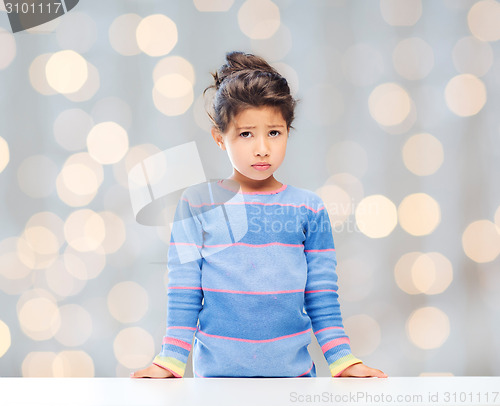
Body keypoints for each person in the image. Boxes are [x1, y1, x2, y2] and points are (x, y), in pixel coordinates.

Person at [131, 51, 387, 379]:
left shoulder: (309, 208)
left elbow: (321, 294)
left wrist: (343, 361)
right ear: (219, 137)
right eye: (246, 133)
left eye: (274, 133)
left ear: (288, 132)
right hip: (216, 386)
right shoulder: (197, 204)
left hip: (293, 384)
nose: (262, 148)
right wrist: (169, 362)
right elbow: (184, 289)